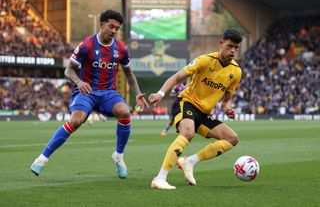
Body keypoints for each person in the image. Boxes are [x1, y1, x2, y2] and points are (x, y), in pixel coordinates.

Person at [30, 10, 148, 179]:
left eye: (117, 28)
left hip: (108, 93)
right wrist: (78, 82)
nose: (114, 31)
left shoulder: (121, 48)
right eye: (111, 26)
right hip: (87, 92)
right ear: (102, 24)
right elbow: (68, 69)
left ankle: (118, 156)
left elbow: (128, 73)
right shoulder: (87, 45)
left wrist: (137, 94)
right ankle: (42, 159)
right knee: (76, 120)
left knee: (124, 112)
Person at [149, 29, 243, 189]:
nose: (233, 50)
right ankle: (159, 178)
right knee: (188, 133)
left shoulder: (236, 72)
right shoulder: (205, 60)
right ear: (221, 44)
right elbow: (177, 77)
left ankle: (189, 161)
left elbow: (226, 101)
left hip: (204, 113)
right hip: (187, 102)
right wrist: (160, 93)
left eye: (236, 47)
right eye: (229, 46)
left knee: (232, 138)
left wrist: (228, 109)